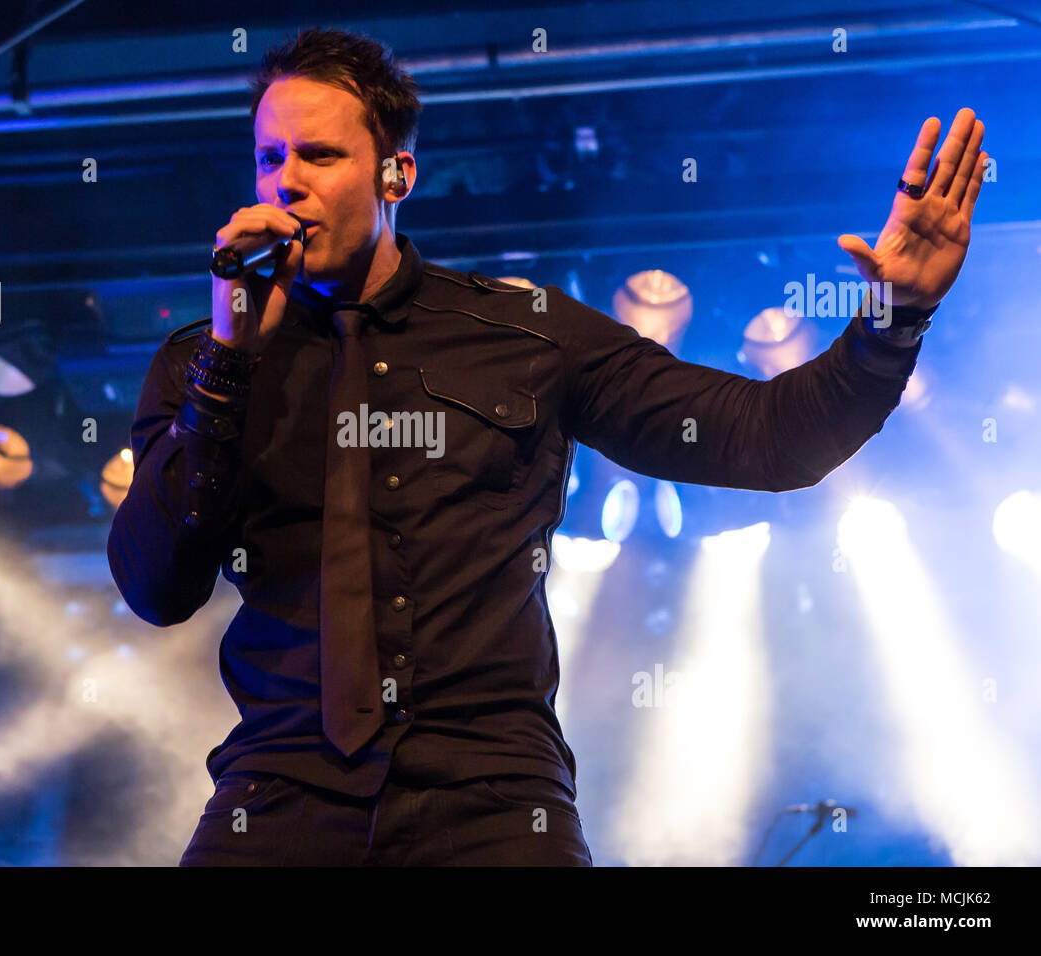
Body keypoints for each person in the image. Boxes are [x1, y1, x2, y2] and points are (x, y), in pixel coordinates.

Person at [107, 27, 988, 865]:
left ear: (395, 174)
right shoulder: (203, 359)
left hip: (493, 797)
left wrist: (893, 317)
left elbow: (765, 440)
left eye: (321, 156)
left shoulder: (522, 332)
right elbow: (155, 586)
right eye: (270, 159)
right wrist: (227, 361)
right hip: (282, 789)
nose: (286, 183)